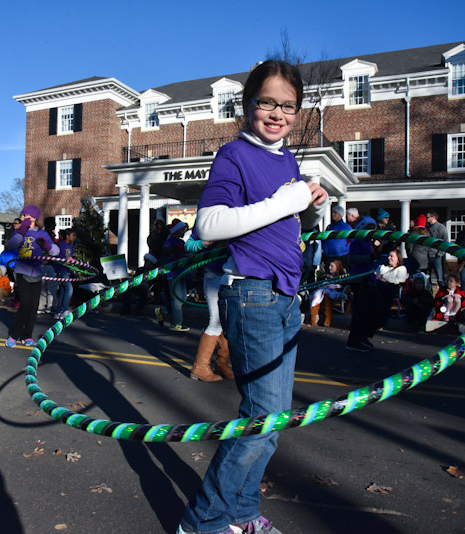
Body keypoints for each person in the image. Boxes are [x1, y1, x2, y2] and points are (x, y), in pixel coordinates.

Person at [178, 60, 327, 534]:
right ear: (248, 105)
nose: (277, 113)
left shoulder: (287, 159)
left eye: (288, 105)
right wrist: (287, 201)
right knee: (260, 419)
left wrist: (309, 210)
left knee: (273, 425)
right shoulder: (233, 155)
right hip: (252, 295)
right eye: (267, 102)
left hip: (284, 296)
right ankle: (202, 523)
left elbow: (279, 225)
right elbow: (209, 225)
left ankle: (241, 516)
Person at [4, 205, 59, 348]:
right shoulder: (20, 232)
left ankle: (27, 335)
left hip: (37, 272)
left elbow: (55, 252)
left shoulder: (42, 233)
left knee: (33, 306)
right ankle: (14, 335)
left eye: (24, 216)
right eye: (21, 216)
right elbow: (12, 244)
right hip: (22, 271)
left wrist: (46, 245)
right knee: (25, 303)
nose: (21, 218)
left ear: (33, 217)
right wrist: (21, 230)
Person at [184, 231, 233, 382]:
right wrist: (205, 243)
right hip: (215, 276)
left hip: (232, 277)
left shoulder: (237, 214)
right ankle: (200, 367)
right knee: (216, 322)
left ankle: (221, 364)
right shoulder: (209, 219)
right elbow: (189, 245)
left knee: (228, 322)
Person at [345, 216, 382, 352]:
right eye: (368, 228)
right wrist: (370, 257)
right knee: (361, 312)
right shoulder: (357, 242)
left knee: (375, 309)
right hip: (360, 280)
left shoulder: (368, 243)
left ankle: (364, 336)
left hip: (370, 279)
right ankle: (354, 341)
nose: (370, 231)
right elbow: (352, 258)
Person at [155, 221, 191, 332]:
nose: (184, 231)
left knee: (183, 299)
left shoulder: (181, 241)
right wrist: (175, 249)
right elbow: (164, 251)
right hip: (173, 274)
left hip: (182, 273)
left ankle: (163, 311)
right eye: (182, 230)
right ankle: (176, 323)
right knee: (177, 299)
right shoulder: (169, 241)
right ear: (176, 231)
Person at [375, 248, 409, 329]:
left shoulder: (401, 269)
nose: (389, 258)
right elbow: (374, 276)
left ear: (398, 259)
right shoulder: (383, 267)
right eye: (388, 256)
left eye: (391, 256)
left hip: (392, 289)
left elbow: (398, 280)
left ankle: (380, 323)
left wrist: (383, 276)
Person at [308, 259, 346, 327]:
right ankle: (313, 320)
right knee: (317, 294)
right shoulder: (325, 276)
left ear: (337, 267)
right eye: (329, 266)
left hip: (334, 294)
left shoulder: (341, 277)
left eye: (332, 266)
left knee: (327, 297)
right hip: (322, 292)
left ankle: (327, 320)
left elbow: (341, 287)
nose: (329, 267)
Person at [53, 227, 77, 319]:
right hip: (60, 270)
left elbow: (70, 258)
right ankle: (65, 310)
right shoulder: (60, 244)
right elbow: (58, 257)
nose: (74, 237)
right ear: (67, 236)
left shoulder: (71, 246)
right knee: (69, 288)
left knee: (63, 290)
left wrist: (72, 263)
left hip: (67, 270)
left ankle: (58, 312)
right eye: (73, 235)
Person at [425, 211, 448, 287]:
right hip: (427, 255)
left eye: (428, 217)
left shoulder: (441, 228)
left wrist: (439, 254)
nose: (426, 219)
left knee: (440, 277)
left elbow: (445, 241)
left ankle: (442, 291)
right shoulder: (427, 227)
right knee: (427, 277)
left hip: (436, 256)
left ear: (433, 217)